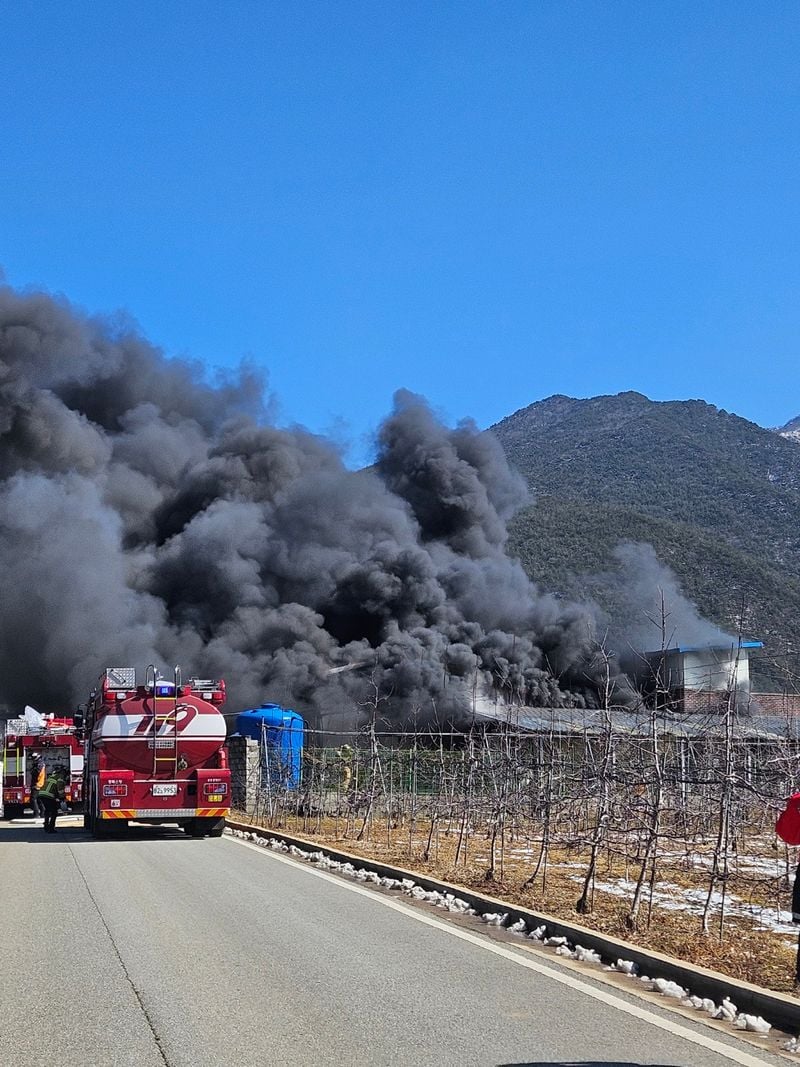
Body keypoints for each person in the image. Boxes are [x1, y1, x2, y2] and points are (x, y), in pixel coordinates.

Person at [38, 766, 67, 834]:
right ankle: (51, 828)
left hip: (42, 794)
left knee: (48, 810)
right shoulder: (60, 777)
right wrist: (62, 797)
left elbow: (53, 787)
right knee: (54, 812)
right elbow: (60, 789)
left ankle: (46, 825)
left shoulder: (52, 776)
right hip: (48, 795)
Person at [29, 752, 45, 819]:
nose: (33, 759)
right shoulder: (39, 763)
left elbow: (36, 773)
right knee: (39, 799)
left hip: (37, 784)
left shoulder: (39, 764)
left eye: (33, 758)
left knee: (33, 799)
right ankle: (43, 813)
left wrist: (32, 769)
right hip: (39, 783)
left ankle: (36, 814)